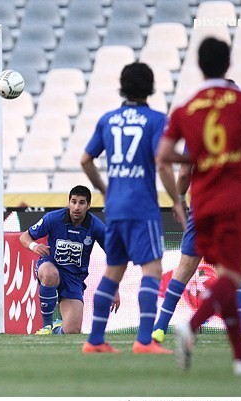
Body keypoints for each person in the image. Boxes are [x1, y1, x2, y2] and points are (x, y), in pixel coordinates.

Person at [156, 37, 241, 375]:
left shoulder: (186, 108)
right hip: (233, 202)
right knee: (233, 274)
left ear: (199, 66)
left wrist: (196, 160)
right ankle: (191, 326)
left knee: (222, 273)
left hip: (202, 204)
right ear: (228, 64)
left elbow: (164, 156)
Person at [80, 62, 186, 354]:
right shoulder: (156, 120)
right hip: (142, 207)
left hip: (115, 208)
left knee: (113, 271)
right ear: (150, 88)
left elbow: (85, 160)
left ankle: (95, 340)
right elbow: (162, 162)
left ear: (122, 87)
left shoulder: (108, 120)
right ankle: (144, 340)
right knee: (152, 269)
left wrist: (104, 190)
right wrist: (177, 201)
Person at [151, 163, 241, 345]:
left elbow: (184, 173)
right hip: (233, 210)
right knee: (240, 273)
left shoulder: (196, 142)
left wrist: (180, 199)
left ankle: (160, 327)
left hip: (202, 209)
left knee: (184, 270)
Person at [19, 185, 111, 335]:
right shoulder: (53, 218)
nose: (76, 207)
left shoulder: (96, 226)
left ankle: (57, 330)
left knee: (73, 331)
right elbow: (25, 237)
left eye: (81, 203)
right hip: (51, 266)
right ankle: (47, 326)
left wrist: (114, 286)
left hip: (74, 279)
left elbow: (114, 254)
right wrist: (34, 246)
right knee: (49, 274)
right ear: (69, 203)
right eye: (73, 202)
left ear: (88, 205)